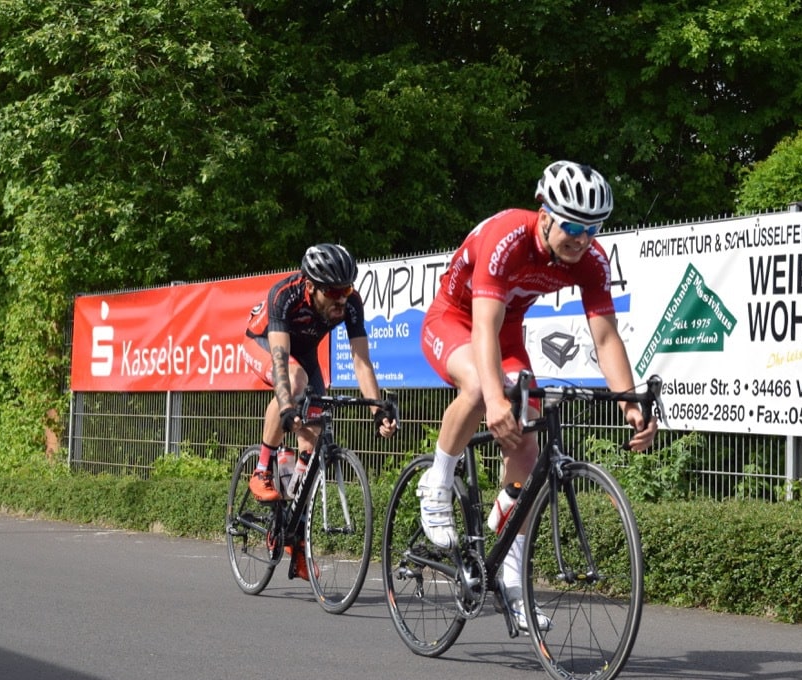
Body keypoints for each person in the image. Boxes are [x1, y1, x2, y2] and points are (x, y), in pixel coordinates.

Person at [417, 160, 658, 630]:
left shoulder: (591, 260)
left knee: (528, 442)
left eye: (593, 229)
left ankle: (511, 578)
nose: (582, 239)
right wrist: (494, 400)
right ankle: (437, 482)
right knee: (479, 387)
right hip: (456, 319)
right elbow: (482, 328)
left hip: (506, 334)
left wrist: (629, 402)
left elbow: (606, 336)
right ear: (545, 215)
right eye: (573, 226)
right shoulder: (507, 236)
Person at [241, 243, 398, 579]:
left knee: (313, 433)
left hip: (305, 353)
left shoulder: (350, 303)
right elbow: (280, 360)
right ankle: (262, 469)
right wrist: (287, 408)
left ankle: (294, 535)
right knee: (294, 382)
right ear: (311, 287)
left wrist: (377, 409)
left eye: (347, 289)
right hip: (264, 343)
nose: (342, 299)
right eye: (334, 292)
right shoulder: (285, 295)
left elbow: (361, 360)